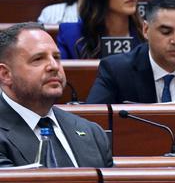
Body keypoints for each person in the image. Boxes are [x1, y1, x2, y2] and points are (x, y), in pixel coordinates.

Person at [0, 23, 113, 167]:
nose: (54, 66)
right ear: (6, 74)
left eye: (56, 57)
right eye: (38, 59)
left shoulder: (92, 132)